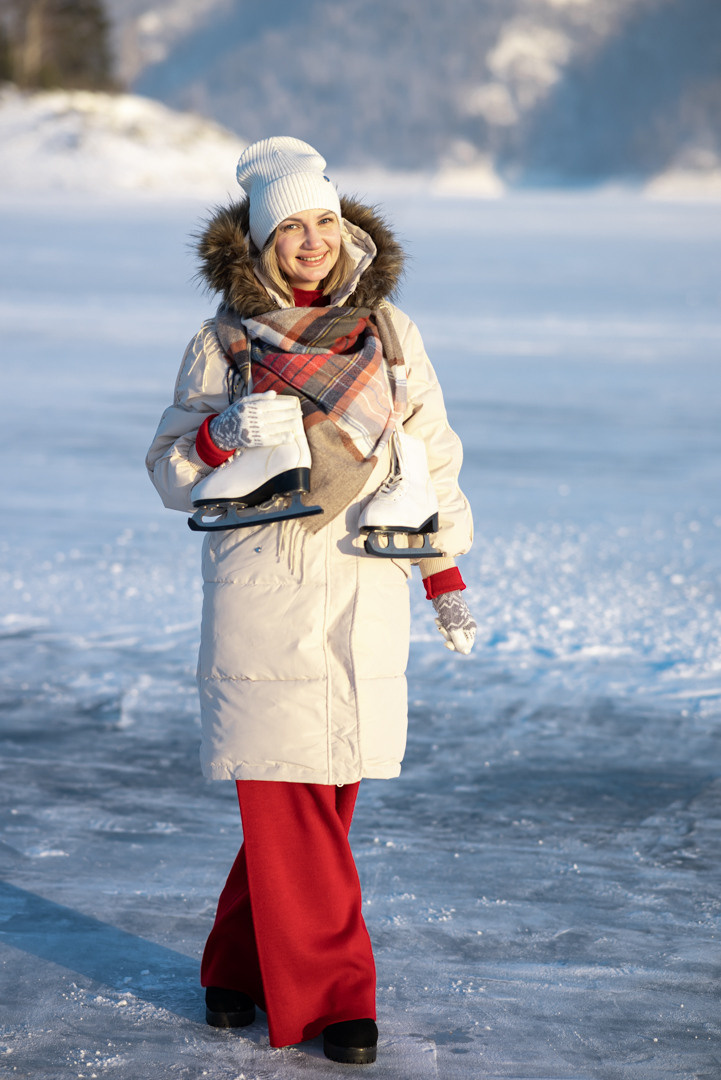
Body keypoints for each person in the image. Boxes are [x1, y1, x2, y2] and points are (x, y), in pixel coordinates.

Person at [146, 136, 476, 1065]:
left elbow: (430, 457)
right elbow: (169, 468)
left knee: (323, 796)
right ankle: (337, 999)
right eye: (289, 225)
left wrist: (443, 570)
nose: (310, 240)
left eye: (323, 222)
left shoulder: (390, 335)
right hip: (267, 586)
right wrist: (219, 435)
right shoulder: (222, 342)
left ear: (348, 234)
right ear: (260, 243)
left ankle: (234, 967)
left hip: (365, 586)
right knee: (287, 800)